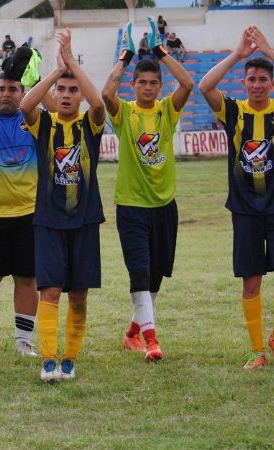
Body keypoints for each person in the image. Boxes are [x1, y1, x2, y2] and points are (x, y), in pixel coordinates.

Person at [102, 18, 194, 363]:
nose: (148, 87)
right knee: (139, 272)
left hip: (164, 207)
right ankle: (152, 341)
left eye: (154, 82)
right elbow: (106, 94)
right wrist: (125, 58)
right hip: (131, 206)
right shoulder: (124, 113)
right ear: (135, 85)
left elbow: (188, 83)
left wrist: (160, 52)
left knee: (155, 277)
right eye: (142, 82)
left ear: (159, 86)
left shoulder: (167, 111)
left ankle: (131, 334)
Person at [19, 29, 106, 382]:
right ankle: (50, 359)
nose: (68, 96)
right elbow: (26, 105)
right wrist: (56, 71)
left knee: (80, 296)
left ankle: (70, 358)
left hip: (85, 220)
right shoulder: (44, 126)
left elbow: (99, 104)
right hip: (49, 221)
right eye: (62, 91)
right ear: (54, 94)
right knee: (50, 289)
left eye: (74, 91)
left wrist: (72, 64)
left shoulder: (90, 124)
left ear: (80, 97)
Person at [198, 26, 274, 370]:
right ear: (244, 83)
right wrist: (238, 55)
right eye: (252, 79)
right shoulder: (236, 111)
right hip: (245, 210)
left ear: (271, 84)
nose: (257, 84)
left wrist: (269, 51)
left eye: (263, 79)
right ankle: (258, 351)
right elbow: (205, 86)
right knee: (251, 281)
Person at [0, 59, 43, 357]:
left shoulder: (35, 119)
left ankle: (22, 340)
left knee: (27, 279)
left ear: (23, 92)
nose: (6, 94)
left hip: (30, 214)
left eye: (13, 89)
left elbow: (42, 97)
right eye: (0, 88)